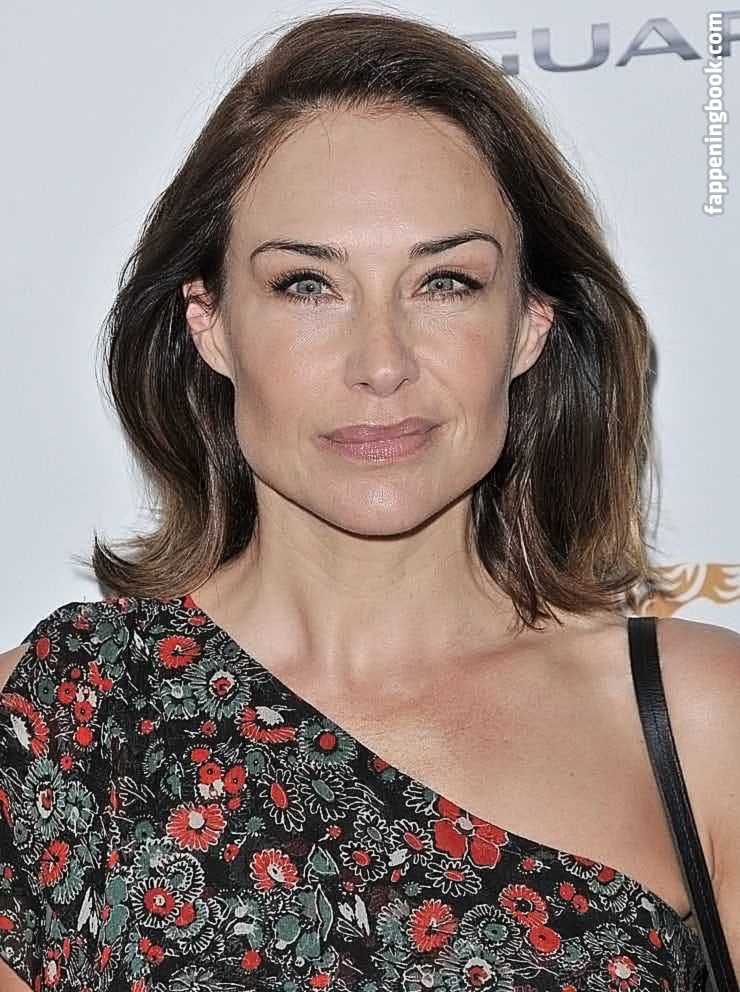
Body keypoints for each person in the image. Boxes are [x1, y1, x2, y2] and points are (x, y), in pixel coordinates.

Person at [0, 9, 737, 991]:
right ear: (211, 324)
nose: (381, 363)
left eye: (445, 282)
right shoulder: (60, 720)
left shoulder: (701, 722)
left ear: (528, 324)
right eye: (308, 284)